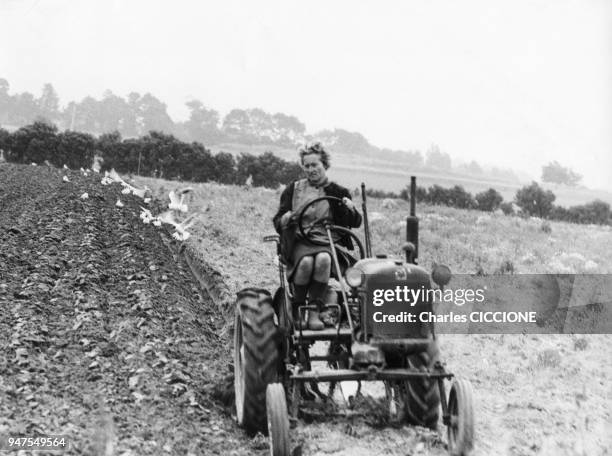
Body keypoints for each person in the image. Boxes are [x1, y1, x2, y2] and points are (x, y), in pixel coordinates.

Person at [273, 142, 362, 330]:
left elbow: (355, 222)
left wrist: (351, 209)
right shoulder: (293, 190)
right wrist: (286, 218)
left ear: (325, 165)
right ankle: (298, 309)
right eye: (307, 166)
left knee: (323, 259)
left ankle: (314, 312)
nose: (311, 169)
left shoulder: (338, 192)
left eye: (315, 165)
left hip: (326, 241)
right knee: (306, 263)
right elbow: (278, 221)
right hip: (299, 240)